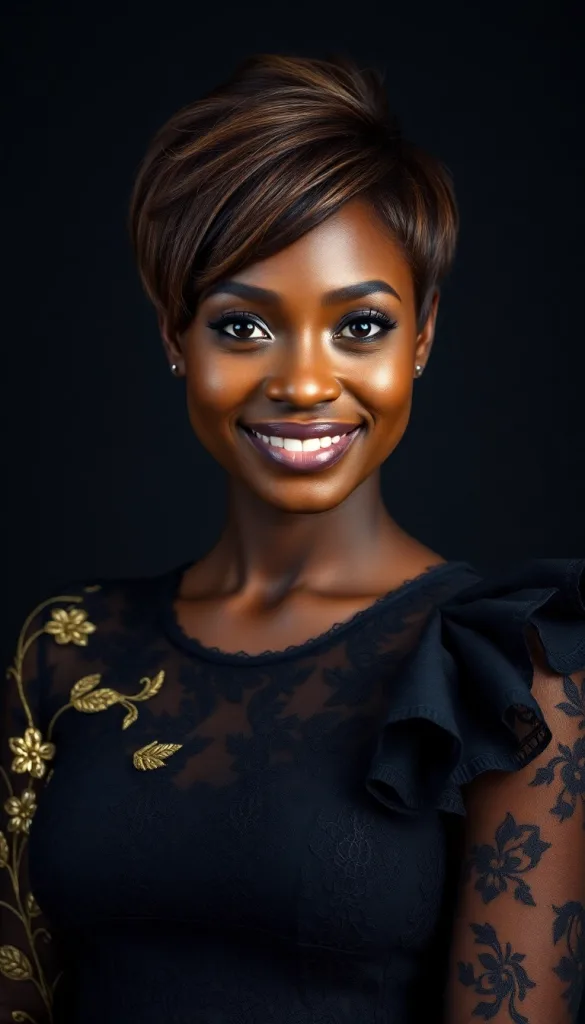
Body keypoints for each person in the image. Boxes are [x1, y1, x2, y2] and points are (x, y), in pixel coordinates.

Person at [1, 52, 584, 1024]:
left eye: (360, 325)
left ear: (424, 338)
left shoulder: (509, 670)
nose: (306, 382)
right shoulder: (63, 648)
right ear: (173, 336)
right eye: (242, 327)